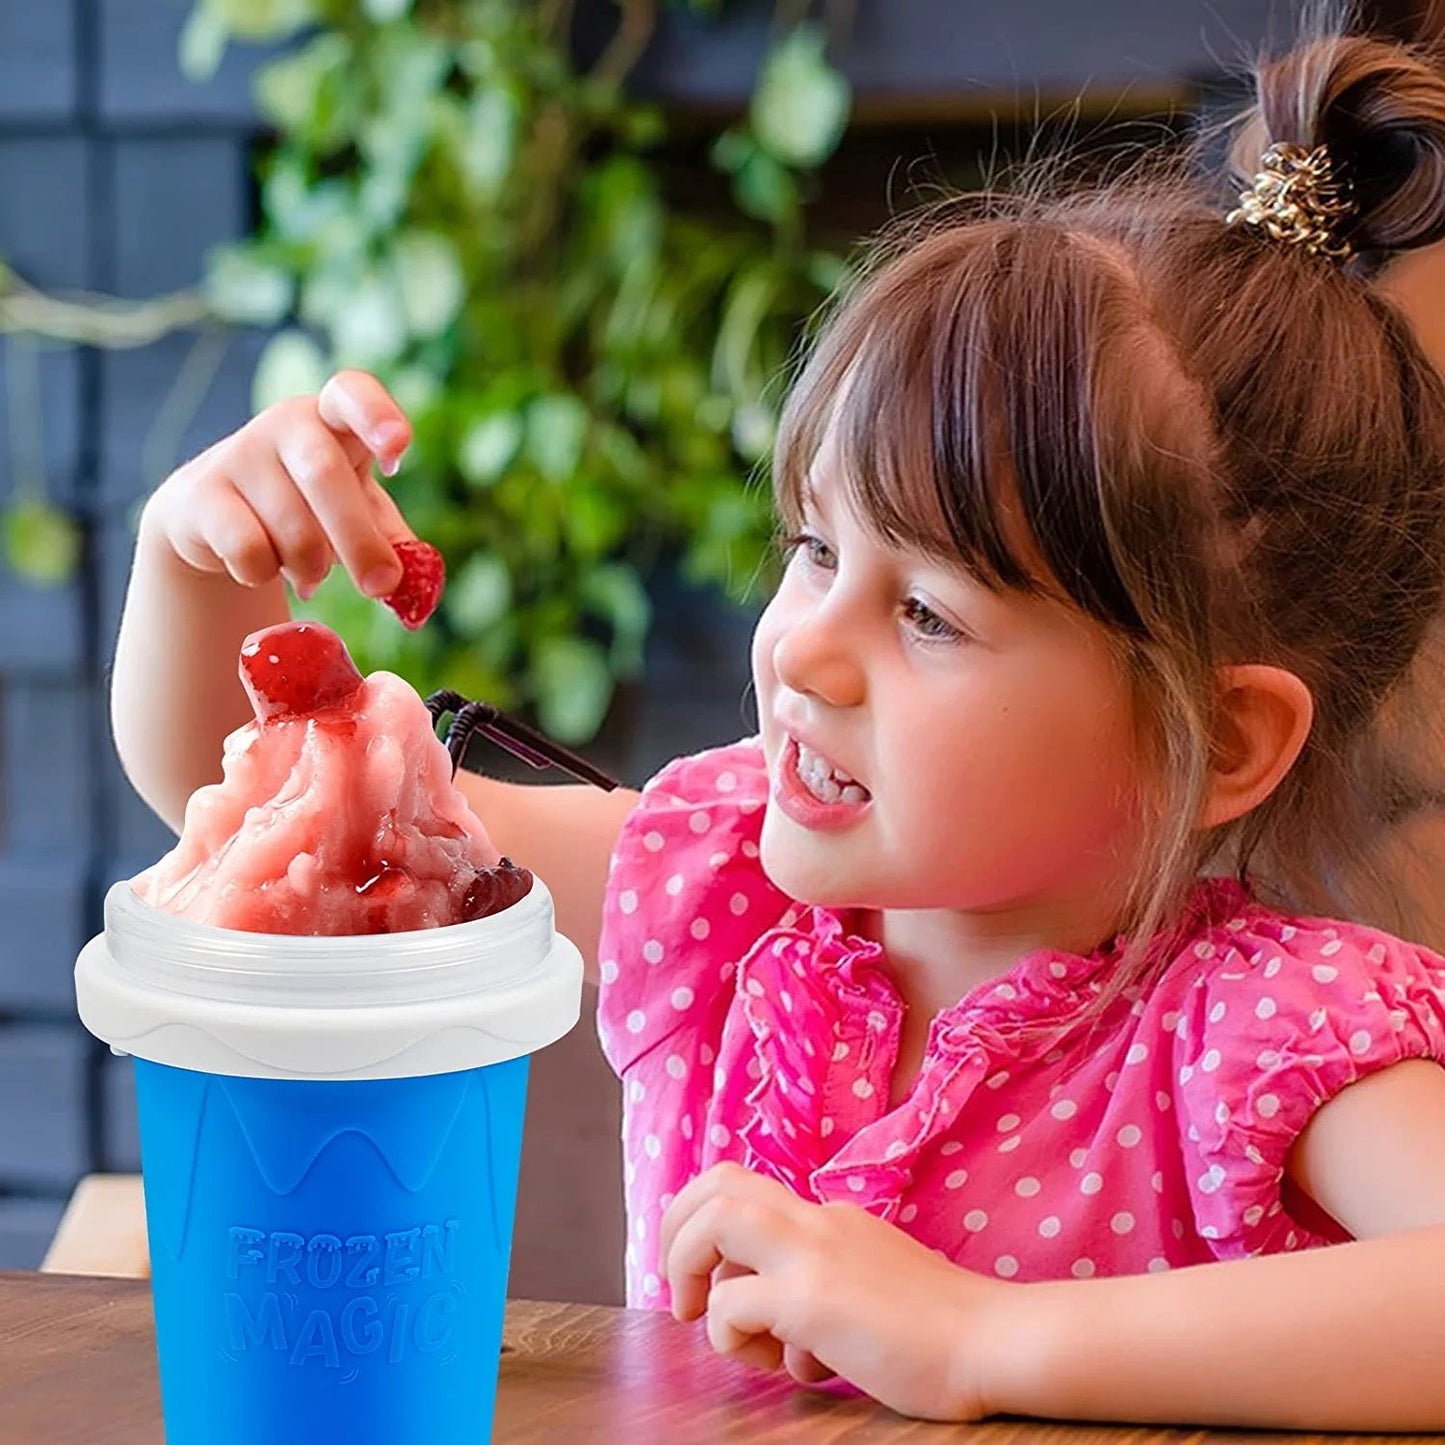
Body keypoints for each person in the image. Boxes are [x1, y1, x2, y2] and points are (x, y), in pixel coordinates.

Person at [110, 9, 1445, 1432]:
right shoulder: (713, 885)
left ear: (1220, 737)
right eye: (814, 548)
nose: (805, 646)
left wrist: (982, 1335)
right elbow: (270, 808)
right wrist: (195, 570)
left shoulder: (1262, 1034)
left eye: (926, 613)